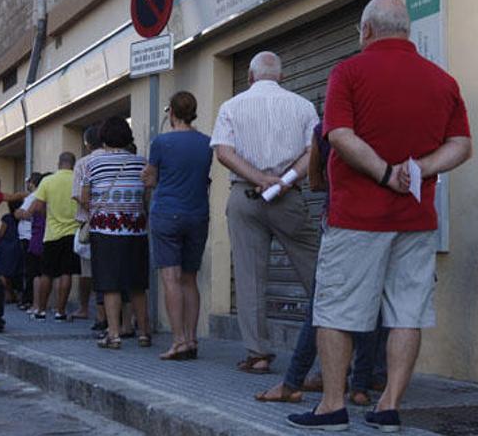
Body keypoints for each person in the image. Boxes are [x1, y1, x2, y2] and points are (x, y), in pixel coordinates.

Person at [288, 0, 472, 432]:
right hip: (416, 219)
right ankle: (388, 405)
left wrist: (387, 173)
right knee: (407, 314)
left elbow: (340, 134)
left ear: (366, 30)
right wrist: (418, 169)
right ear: (406, 31)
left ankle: (332, 406)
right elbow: (462, 145)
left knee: (335, 312)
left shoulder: (348, 72)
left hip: (357, 218)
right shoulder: (443, 81)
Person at [256, 121, 387, 405]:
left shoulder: (325, 128)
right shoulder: (381, 122)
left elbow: (314, 181)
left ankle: (292, 382)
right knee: (372, 305)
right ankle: (361, 386)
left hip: (341, 221)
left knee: (321, 305)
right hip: (381, 223)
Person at [211, 51, 320, 375]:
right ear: (281, 77)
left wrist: (259, 178)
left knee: (249, 276)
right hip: (289, 198)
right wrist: (284, 182)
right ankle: (337, 348)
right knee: (318, 274)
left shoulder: (231, 106)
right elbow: (313, 151)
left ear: (249, 77)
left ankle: (257, 354)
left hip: (245, 196)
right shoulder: (303, 106)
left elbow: (223, 152)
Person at [143, 91, 212, 360]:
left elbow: (150, 179)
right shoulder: (207, 142)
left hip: (167, 213)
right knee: (190, 278)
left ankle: (178, 341)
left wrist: (147, 176)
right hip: (198, 214)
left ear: (170, 111)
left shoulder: (161, 142)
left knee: (170, 278)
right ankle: (193, 339)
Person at [81, 116, 150, 349]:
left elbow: (84, 198)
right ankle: (144, 333)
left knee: (110, 283)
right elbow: (147, 196)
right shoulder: (142, 163)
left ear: (103, 138)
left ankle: (114, 334)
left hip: (105, 231)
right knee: (137, 283)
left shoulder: (93, 165)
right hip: (136, 229)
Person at [29, 153, 81, 322]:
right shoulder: (78, 179)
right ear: (73, 164)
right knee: (66, 273)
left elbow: (38, 206)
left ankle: (41, 311)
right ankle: (60, 311)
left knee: (47, 273)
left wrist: (48, 214)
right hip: (73, 233)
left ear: (59, 163)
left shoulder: (48, 181)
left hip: (51, 234)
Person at [71, 124, 105, 322]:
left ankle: (86, 309)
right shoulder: (117, 159)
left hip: (89, 224)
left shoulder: (83, 163)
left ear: (87, 143)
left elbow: (78, 195)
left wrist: (94, 210)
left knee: (88, 272)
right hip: (118, 223)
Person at [16, 173, 45, 311]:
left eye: (28, 182)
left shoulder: (34, 197)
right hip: (33, 236)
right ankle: (35, 302)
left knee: (32, 271)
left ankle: (31, 301)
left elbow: (23, 213)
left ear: (32, 183)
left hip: (30, 237)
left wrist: (19, 212)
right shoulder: (36, 196)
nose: (27, 185)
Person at [0, 200, 24, 303]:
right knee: (14, 272)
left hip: (4, 248)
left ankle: (8, 294)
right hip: (17, 246)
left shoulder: (7, 218)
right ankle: (17, 294)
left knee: (2, 272)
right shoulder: (22, 218)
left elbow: (1, 233)